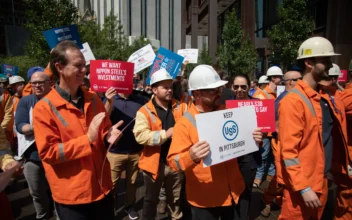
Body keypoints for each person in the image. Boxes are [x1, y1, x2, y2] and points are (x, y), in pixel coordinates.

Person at [32, 40, 123, 220]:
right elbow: (48, 152)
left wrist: (108, 137)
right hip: (73, 197)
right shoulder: (44, 108)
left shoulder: (94, 98)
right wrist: (87, 139)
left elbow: (103, 129)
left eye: (84, 66)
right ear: (59, 67)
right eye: (78, 66)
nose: (85, 71)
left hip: (102, 189)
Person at [167, 65, 263, 220]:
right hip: (205, 200)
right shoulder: (185, 123)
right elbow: (173, 161)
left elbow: (240, 142)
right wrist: (190, 156)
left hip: (234, 192)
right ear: (197, 93)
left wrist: (255, 139)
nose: (220, 92)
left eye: (219, 88)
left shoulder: (226, 112)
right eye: (213, 90)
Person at [278, 36, 349, 219]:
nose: (330, 64)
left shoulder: (325, 97)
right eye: (325, 60)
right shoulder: (293, 101)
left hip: (322, 182)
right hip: (303, 189)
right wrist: (303, 188)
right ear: (309, 63)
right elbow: (288, 152)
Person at [133, 68, 187, 220]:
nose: (169, 90)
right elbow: (140, 136)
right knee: (150, 200)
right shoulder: (144, 111)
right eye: (165, 87)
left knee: (175, 201)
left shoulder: (181, 107)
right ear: (154, 90)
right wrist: (166, 134)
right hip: (153, 165)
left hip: (175, 164)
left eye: (170, 87)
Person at [260, 70, 302, 217]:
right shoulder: (283, 100)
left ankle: (275, 200)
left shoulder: (295, 97)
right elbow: (272, 121)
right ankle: (268, 200)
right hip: (280, 142)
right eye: (299, 79)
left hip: (291, 144)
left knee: (283, 176)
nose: (301, 83)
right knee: (281, 176)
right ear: (290, 81)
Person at [15, 71, 54, 220]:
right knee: (37, 193)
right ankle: (42, 216)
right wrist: (38, 126)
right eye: (33, 83)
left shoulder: (58, 100)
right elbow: (20, 126)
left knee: (58, 191)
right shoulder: (25, 101)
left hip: (56, 155)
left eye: (40, 82)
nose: (37, 85)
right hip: (33, 157)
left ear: (49, 83)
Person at [107, 91, 146, 220]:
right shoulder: (110, 99)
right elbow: (103, 118)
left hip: (135, 150)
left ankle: (130, 206)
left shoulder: (141, 100)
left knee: (132, 182)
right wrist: (108, 101)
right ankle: (110, 208)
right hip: (114, 152)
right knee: (111, 184)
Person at [231, 73, 263, 218]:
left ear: (249, 87)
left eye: (243, 86)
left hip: (249, 157)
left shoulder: (258, 105)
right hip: (231, 157)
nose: (239, 89)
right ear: (232, 87)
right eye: (236, 86)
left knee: (245, 192)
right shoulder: (225, 105)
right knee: (231, 191)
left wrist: (261, 136)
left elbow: (268, 131)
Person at [253, 66, 283, 187]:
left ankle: (271, 175)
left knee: (272, 156)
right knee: (263, 155)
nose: (281, 78)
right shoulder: (262, 94)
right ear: (273, 78)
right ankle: (258, 178)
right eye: (279, 76)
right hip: (265, 132)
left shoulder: (278, 93)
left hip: (275, 131)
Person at [0, 74, 14, 150]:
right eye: (3, 83)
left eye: (6, 83)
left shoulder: (6, 95)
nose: (4, 86)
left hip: (3, 129)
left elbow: (9, 113)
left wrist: (3, 127)